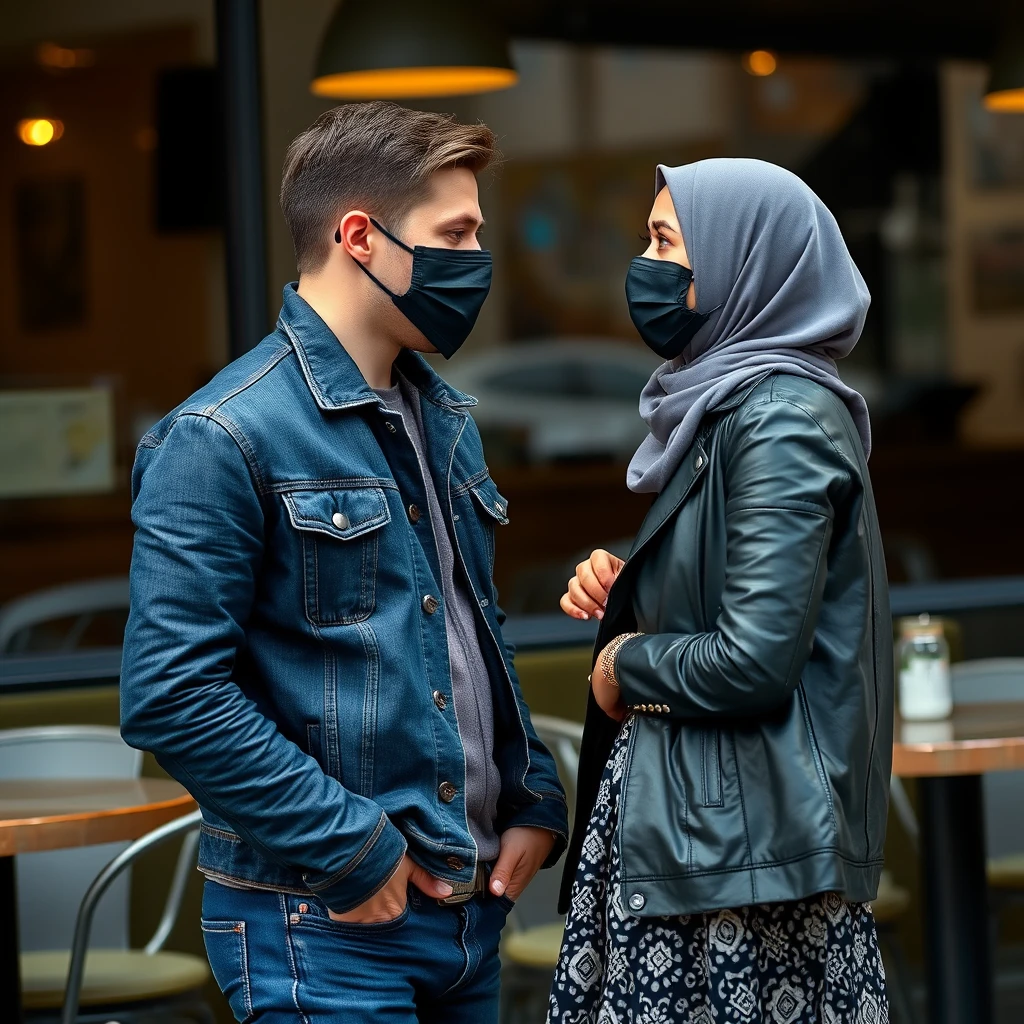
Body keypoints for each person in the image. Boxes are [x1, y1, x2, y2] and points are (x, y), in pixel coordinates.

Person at [120, 101, 568, 1024]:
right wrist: (349, 850)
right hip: (320, 919)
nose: (476, 258)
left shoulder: (441, 419)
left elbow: (462, 634)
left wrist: (532, 795)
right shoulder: (222, 435)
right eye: (455, 232)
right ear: (360, 236)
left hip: (465, 910)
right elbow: (171, 693)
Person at [549, 158, 893, 1024]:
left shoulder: (776, 416)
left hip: (742, 879)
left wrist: (622, 664)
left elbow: (754, 660)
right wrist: (644, 587)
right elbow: (751, 600)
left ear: (746, 260)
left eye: (667, 241)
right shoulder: (737, 405)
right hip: (718, 851)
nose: (648, 266)